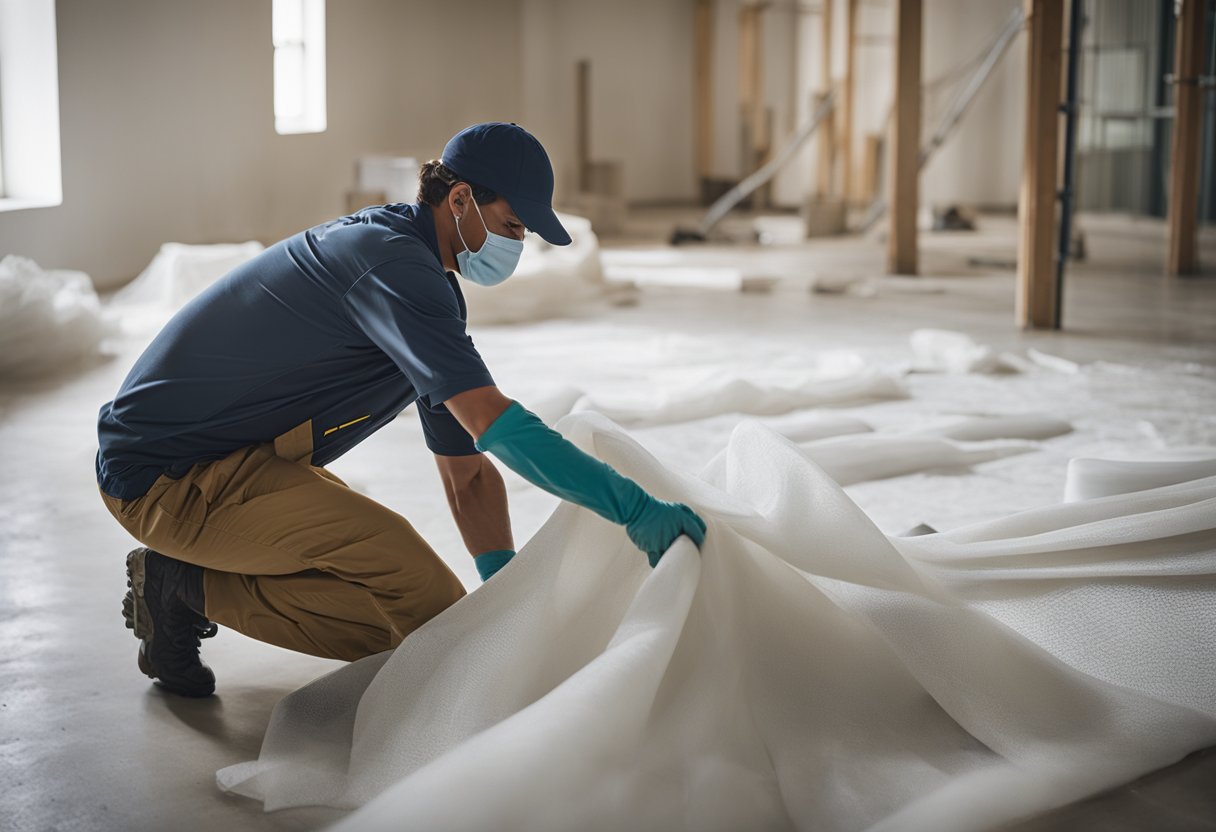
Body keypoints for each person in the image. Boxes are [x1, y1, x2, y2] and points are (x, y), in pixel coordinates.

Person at [96, 122, 707, 698]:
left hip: (234, 456)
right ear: (461, 198)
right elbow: (492, 422)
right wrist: (631, 510)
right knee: (424, 606)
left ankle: (183, 586)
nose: (517, 244)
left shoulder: (425, 282)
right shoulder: (390, 264)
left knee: (427, 629)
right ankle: (180, 584)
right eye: (513, 224)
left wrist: (504, 594)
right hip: (163, 476)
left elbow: (465, 471)